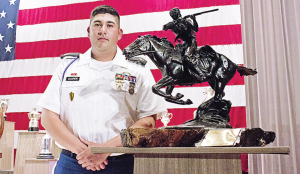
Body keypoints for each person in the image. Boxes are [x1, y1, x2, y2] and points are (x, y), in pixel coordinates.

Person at [37, 5, 167, 174]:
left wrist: (104, 149)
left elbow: (148, 122)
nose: (102, 30)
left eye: (109, 25)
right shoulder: (67, 67)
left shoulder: (138, 70)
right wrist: (85, 152)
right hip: (73, 162)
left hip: (121, 164)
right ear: (89, 30)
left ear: (119, 33)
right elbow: (48, 117)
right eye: (97, 24)